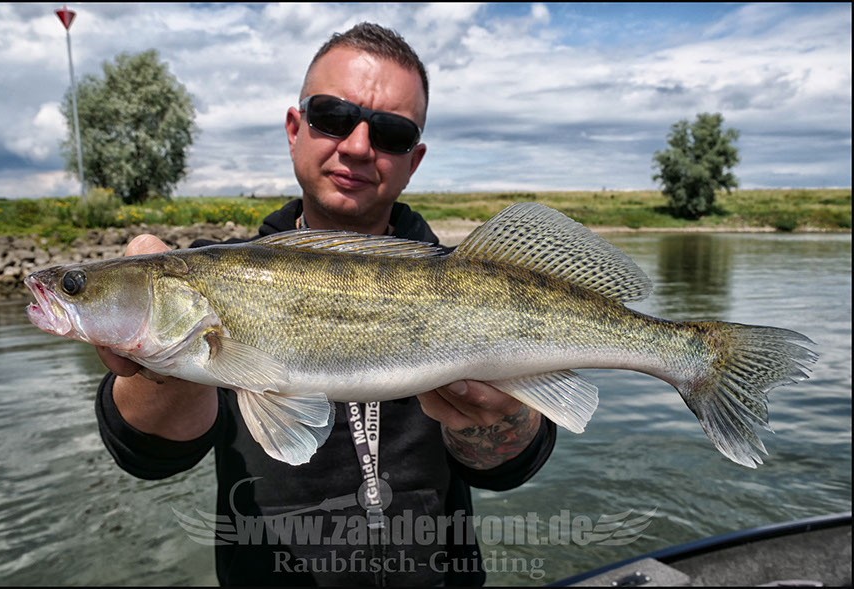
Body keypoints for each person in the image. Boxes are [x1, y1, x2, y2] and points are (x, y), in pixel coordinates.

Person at [95, 22, 556, 586]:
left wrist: (502, 419)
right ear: (295, 128)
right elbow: (146, 456)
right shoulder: (213, 272)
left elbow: (509, 469)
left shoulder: (474, 278)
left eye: (391, 133)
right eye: (333, 116)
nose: (358, 146)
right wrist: (168, 356)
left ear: (414, 160)